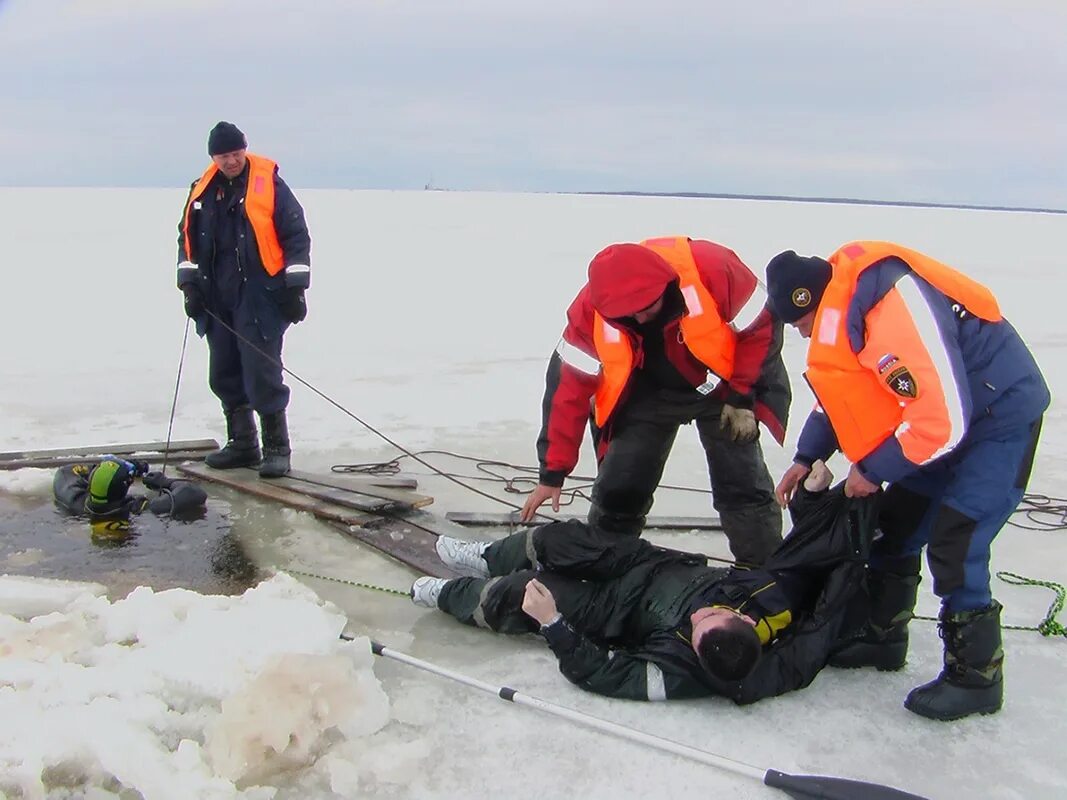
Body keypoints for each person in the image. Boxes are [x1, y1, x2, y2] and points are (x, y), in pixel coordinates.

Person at [765, 241, 1049, 721]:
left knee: (956, 538)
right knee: (893, 530)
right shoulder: (842, 313)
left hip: (997, 419)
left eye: (796, 323)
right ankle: (882, 636)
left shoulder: (892, 312)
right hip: (945, 418)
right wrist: (808, 453)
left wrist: (872, 471)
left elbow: (943, 423)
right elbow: (844, 392)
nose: (797, 332)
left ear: (808, 302)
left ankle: (977, 677)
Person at [410, 463, 877, 702]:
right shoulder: (773, 605)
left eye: (695, 629)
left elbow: (605, 675)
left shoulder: (689, 675)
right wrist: (814, 500)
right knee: (560, 539)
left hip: (612, 610)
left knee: (520, 594)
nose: (698, 615)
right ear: (738, 617)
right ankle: (487, 557)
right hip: (646, 563)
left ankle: (448, 594)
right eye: (711, 614)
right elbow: (818, 581)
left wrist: (552, 624)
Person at [522, 236, 791, 566]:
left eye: (647, 307)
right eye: (628, 314)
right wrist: (552, 474)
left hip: (724, 387)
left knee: (742, 482)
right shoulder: (588, 310)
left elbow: (761, 329)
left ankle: (764, 573)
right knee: (620, 486)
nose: (640, 319)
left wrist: (742, 397)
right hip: (645, 395)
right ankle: (603, 564)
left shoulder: (714, 268)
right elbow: (566, 390)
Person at [176, 121, 312, 479]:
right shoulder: (202, 192)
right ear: (213, 157)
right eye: (224, 155)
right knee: (224, 372)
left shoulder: (270, 186)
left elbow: (296, 236)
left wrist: (295, 288)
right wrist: (189, 286)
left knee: (262, 372)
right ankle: (243, 444)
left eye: (236, 153)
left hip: (259, 296)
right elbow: (185, 241)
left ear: (244, 150)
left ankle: (277, 449)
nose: (231, 160)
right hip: (217, 297)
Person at [53, 456, 208, 538]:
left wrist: (105, 469)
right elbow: (193, 493)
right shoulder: (137, 508)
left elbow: (66, 471)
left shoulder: (74, 499)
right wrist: (164, 482)